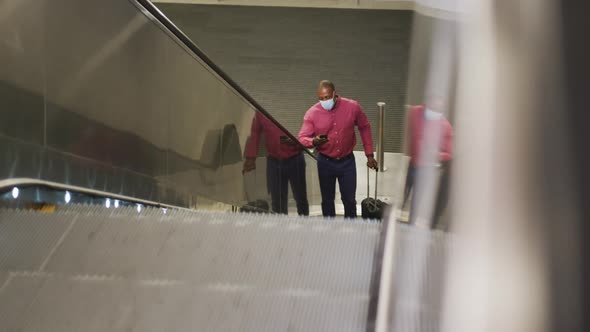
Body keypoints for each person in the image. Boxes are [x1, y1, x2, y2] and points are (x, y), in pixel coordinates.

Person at [298, 80, 377, 218]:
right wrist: (314, 141)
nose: (324, 101)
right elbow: (301, 138)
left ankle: (350, 229)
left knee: (349, 200)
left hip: (347, 162)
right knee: (327, 200)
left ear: (335, 94)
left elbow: (364, 126)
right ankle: (330, 232)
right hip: (325, 162)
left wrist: (369, 155)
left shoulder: (352, 107)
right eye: (321, 98)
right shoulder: (312, 113)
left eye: (327, 97)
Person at [243, 111, 309, 216]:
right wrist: (251, 158)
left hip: (295, 159)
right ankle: (280, 229)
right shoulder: (261, 110)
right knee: (277, 201)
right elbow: (255, 132)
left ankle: (305, 226)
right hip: (274, 161)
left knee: (300, 198)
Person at [403, 95, 453, 228]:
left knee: (416, 201)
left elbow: (449, 153)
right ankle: (402, 208)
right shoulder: (415, 112)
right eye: (432, 106)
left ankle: (411, 226)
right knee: (406, 190)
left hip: (425, 169)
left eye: (438, 109)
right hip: (412, 163)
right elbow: (411, 131)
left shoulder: (445, 127)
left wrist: (437, 155)